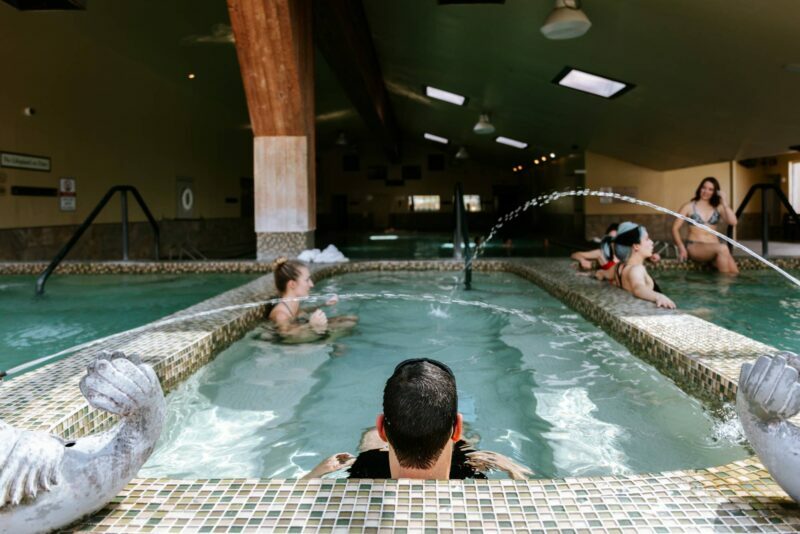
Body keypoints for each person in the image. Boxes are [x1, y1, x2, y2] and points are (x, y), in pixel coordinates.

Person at [304, 358, 533, 480]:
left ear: (382, 428)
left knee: (370, 442)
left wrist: (312, 476)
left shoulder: (362, 471)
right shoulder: (472, 475)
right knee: (466, 449)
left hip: (376, 460)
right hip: (460, 455)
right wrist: (516, 475)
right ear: (457, 429)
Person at [266, 258, 357, 343]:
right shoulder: (280, 315)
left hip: (302, 330)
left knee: (350, 319)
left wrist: (324, 304)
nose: (311, 284)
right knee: (346, 325)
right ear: (292, 284)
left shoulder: (292, 306)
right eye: (307, 280)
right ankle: (331, 343)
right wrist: (311, 325)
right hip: (292, 346)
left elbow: (302, 312)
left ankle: (331, 340)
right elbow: (288, 337)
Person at [672, 177, 738, 274]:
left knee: (734, 272)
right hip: (695, 246)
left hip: (715, 248)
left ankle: (722, 282)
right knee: (723, 248)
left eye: (710, 189)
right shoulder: (688, 206)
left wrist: (724, 203)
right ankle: (724, 283)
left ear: (715, 192)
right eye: (704, 188)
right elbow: (675, 228)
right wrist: (681, 248)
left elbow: (733, 222)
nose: (706, 191)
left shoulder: (718, 207)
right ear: (700, 188)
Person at [608, 222, 676, 309]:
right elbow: (638, 288)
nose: (652, 242)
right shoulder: (637, 269)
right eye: (647, 239)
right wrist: (659, 297)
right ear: (636, 246)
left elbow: (602, 273)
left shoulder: (618, 267)